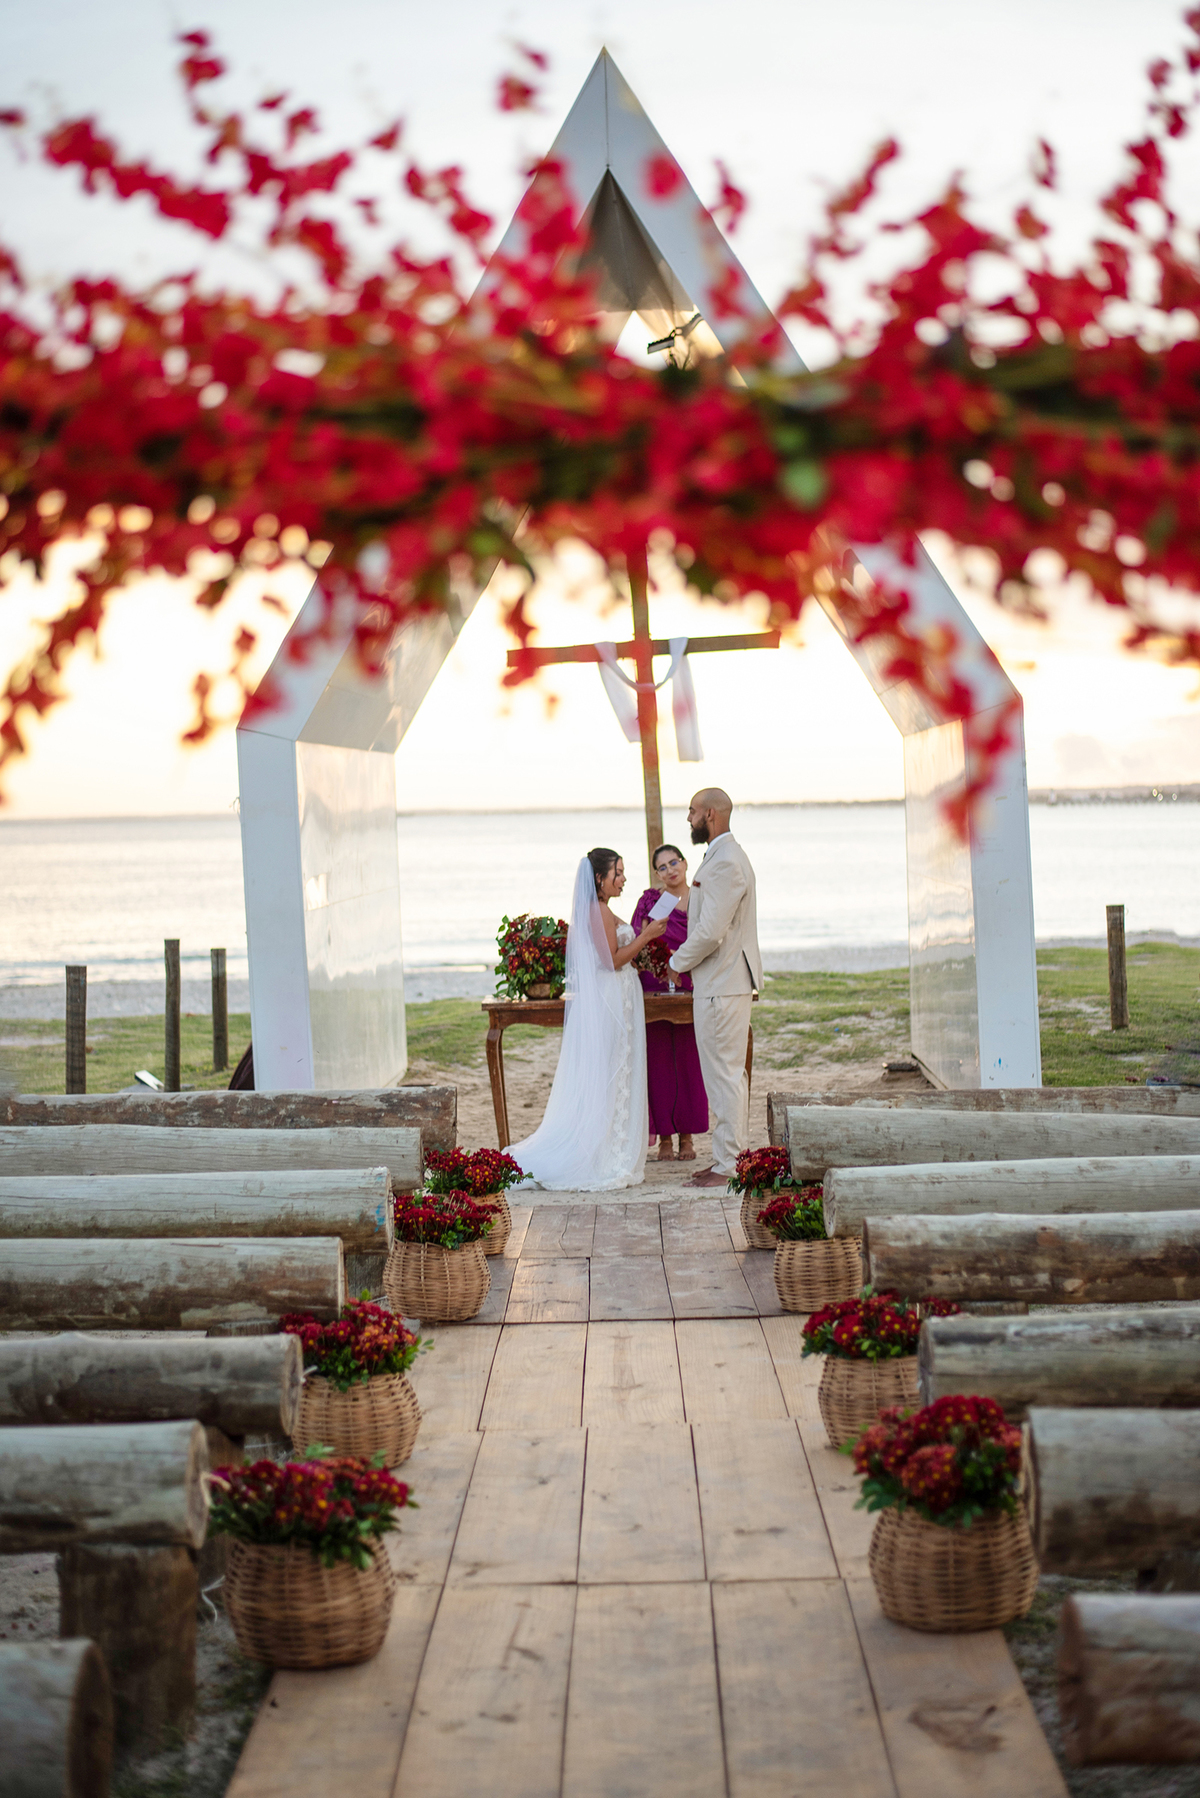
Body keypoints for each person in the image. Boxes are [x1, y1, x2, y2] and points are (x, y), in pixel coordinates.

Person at [507, 847, 667, 1191]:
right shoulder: (596, 909)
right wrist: (645, 938)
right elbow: (610, 961)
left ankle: (614, 1145)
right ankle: (602, 1153)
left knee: (619, 1069)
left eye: (623, 873)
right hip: (612, 1000)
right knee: (611, 1071)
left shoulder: (604, 909)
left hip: (622, 997)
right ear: (599, 878)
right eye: (618, 874)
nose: (623, 880)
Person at [667, 788, 763, 1189]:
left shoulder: (726, 862)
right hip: (720, 982)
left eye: (691, 812)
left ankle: (729, 1165)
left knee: (724, 1075)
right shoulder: (718, 856)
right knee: (726, 1075)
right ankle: (729, 1158)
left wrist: (676, 963)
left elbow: (710, 931)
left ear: (710, 813)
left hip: (722, 984)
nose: (688, 818)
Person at [631, 844, 708, 1163]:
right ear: (657, 874)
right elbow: (638, 941)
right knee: (659, 1064)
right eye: (662, 867)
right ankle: (664, 1137)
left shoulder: (703, 898)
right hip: (654, 988)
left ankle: (687, 1138)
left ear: (685, 863)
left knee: (690, 1063)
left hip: (692, 986)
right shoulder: (653, 901)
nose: (670, 870)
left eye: (673, 862)